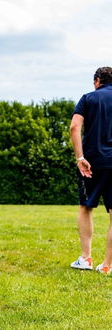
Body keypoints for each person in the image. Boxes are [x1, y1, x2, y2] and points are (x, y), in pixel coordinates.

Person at [69, 66, 112, 275]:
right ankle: (107, 265)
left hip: (92, 163)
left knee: (86, 207)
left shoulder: (88, 98)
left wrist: (80, 157)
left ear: (97, 80)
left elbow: (74, 127)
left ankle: (86, 259)